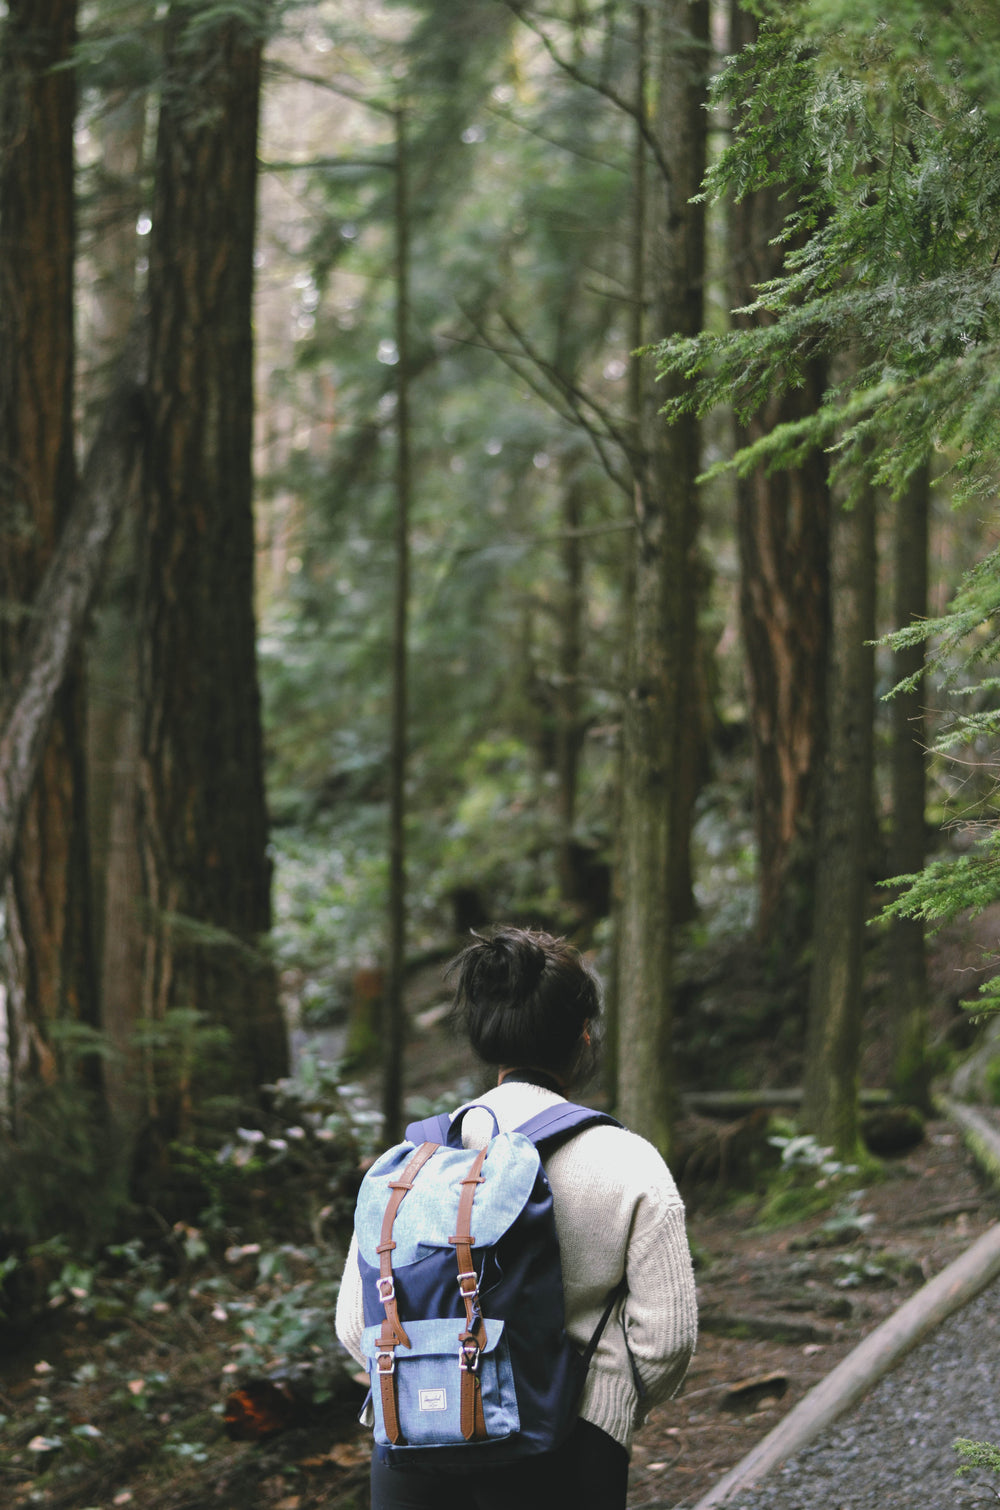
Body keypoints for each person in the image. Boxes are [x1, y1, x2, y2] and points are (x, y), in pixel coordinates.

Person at [335, 925, 698, 1510]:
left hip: (414, 1449)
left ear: (486, 1039)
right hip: (570, 1449)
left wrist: (435, 1393)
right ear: (583, 1036)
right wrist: (607, 1408)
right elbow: (667, 1342)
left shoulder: (408, 1164)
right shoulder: (629, 1161)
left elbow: (357, 1325)